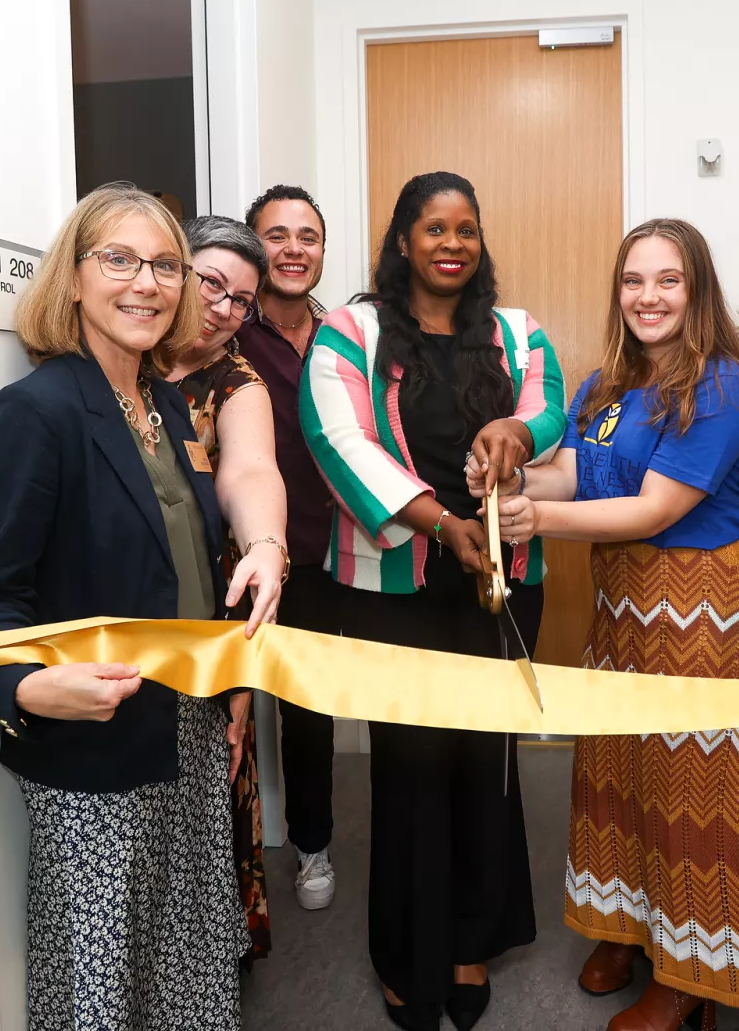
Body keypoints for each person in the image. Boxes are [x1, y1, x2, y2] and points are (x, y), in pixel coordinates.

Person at [0, 183, 287, 1029]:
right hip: (92, 745)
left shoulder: (162, 403)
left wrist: (230, 683)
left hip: (191, 727)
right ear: (73, 280)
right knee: (102, 981)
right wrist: (25, 690)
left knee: (188, 953)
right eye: (120, 260)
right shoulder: (33, 415)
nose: (148, 282)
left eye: (166, 265)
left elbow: (187, 565)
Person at [488, 218, 739, 1031]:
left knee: (698, 788)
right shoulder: (606, 384)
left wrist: (535, 519)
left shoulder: (722, 382)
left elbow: (657, 506)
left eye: (667, 280)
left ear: (697, 292)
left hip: (705, 607)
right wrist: (513, 466)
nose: (646, 297)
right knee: (618, 770)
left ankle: (695, 973)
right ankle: (628, 925)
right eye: (633, 280)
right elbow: (584, 469)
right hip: (624, 602)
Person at [299, 171, 566, 1031]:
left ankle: (467, 942)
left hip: (500, 581)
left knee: (483, 763)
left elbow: (551, 404)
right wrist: (440, 520)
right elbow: (335, 441)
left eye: (466, 229)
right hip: (395, 586)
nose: (452, 243)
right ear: (403, 240)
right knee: (410, 766)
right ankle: (408, 955)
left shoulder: (519, 333)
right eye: (433, 228)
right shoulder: (351, 330)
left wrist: (516, 433)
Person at [166, 214, 289, 965]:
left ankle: (211, 965)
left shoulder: (237, 381)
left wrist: (267, 546)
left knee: (220, 772)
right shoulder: (110, 364)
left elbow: (249, 471)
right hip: (118, 613)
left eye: (242, 299)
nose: (223, 306)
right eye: (210, 282)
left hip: (216, 611)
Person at [237, 183, 340, 909]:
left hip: (355, 549)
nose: (294, 249)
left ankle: (329, 841)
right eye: (277, 235)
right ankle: (290, 850)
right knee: (274, 706)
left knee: (338, 699)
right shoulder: (229, 336)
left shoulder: (347, 335)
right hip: (271, 552)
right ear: (255, 246)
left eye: (307, 236)